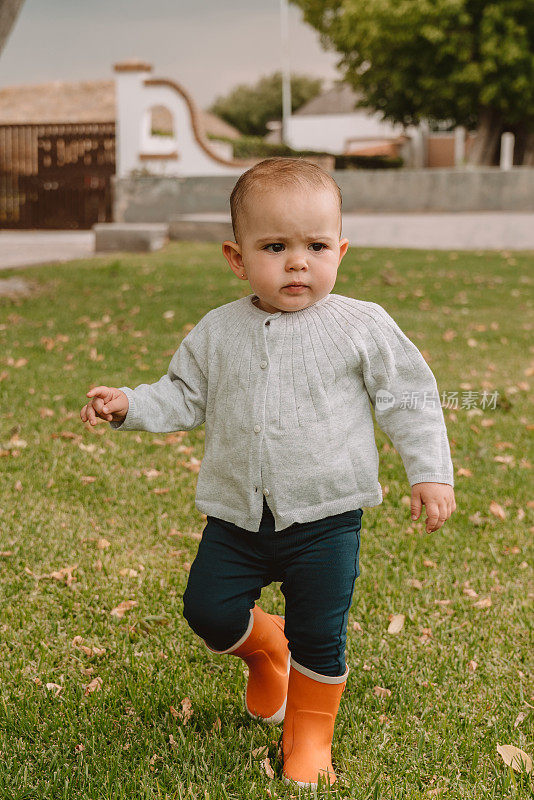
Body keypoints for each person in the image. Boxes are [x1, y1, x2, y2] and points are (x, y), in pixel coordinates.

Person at [80, 157, 456, 789]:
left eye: (315, 246)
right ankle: (264, 647)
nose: (297, 262)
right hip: (236, 518)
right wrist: (131, 404)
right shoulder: (218, 332)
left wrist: (431, 472)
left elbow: (408, 396)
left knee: (321, 632)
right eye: (275, 246)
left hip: (327, 516)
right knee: (209, 610)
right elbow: (184, 394)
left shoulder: (359, 325)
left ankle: (308, 736)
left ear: (341, 249)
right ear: (237, 256)